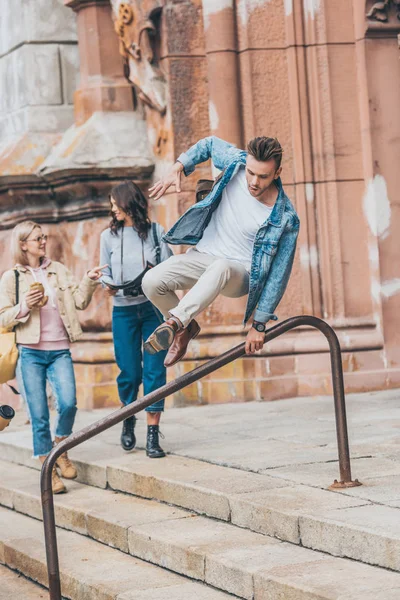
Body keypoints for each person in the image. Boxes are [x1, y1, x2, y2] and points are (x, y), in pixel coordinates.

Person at [142, 136, 300, 365]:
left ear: (277, 173)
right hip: (203, 256)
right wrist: (177, 167)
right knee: (151, 281)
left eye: (263, 176)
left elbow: (278, 275)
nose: (254, 181)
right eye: (251, 172)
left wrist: (259, 324)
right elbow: (208, 144)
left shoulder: (285, 218)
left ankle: (175, 322)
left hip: (239, 274)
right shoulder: (236, 163)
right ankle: (185, 329)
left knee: (222, 267)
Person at [0, 221, 105, 494]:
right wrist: (25, 306)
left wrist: (89, 280)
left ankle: (60, 448)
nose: (43, 242)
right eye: (37, 238)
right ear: (23, 244)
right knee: (38, 414)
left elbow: (80, 302)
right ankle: (49, 468)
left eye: (44, 237)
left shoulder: (58, 270)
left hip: (59, 349)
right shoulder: (12, 278)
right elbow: (3, 317)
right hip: (30, 351)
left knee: (68, 403)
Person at [100, 181, 172, 458]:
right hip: (123, 311)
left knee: (155, 369)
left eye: (115, 203)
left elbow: (170, 269)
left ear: (128, 203)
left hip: (152, 310)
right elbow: (104, 269)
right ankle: (128, 416)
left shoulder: (156, 233)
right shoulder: (108, 236)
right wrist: (106, 283)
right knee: (129, 371)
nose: (112, 208)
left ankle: (153, 435)